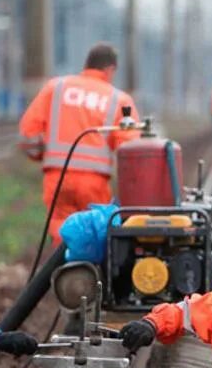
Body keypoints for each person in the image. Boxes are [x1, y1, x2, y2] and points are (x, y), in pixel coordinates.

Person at [18, 42, 141, 243]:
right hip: (94, 182)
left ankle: (64, 271)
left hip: (58, 177)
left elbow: (27, 134)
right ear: (110, 69)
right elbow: (131, 150)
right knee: (94, 236)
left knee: (61, 232)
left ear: (87, 65)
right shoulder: (119, 99)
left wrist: (43, 156)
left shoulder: (55, 88)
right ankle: (90, 273)